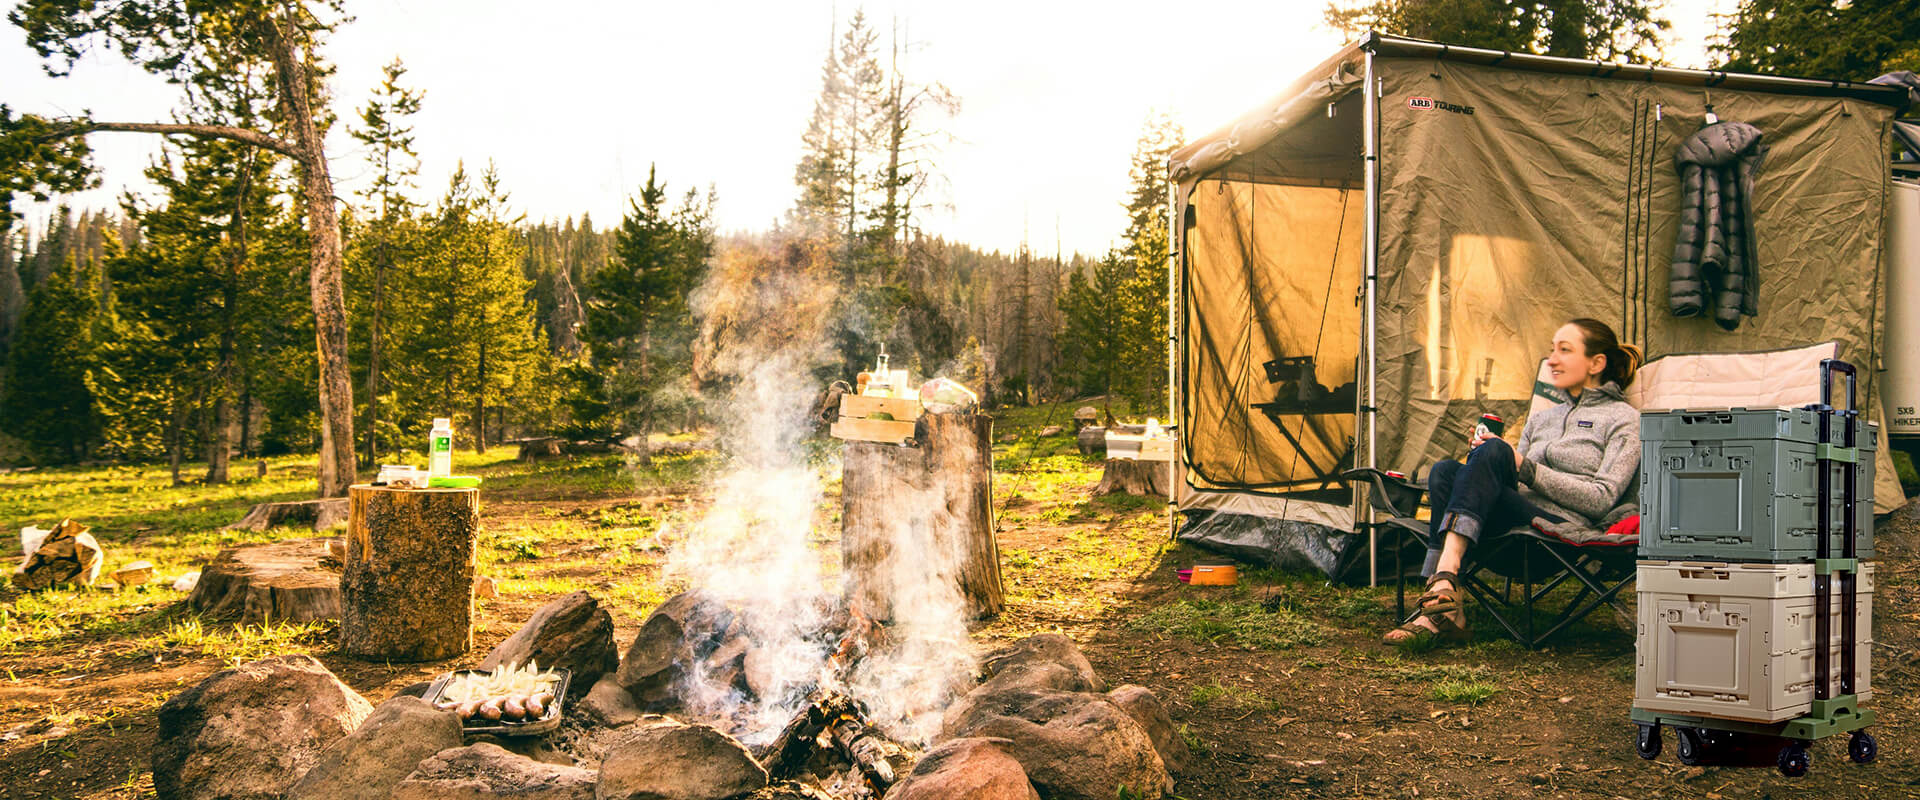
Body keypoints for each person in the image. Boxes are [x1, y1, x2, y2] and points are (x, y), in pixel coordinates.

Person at [1384, 318, 1644, 647]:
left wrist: (1524, 466)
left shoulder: (1625, 420)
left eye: (1565, 350)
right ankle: (1445, 594)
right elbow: (1512, 479)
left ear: (1597, 362)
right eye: (1552, 350)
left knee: (1493, 451)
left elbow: (1602, 498)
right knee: (1446, 471)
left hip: (1557, 535)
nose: (1552, 359)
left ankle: (1441, 592)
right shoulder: (1542, 419)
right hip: (1508, 532)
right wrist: (1484, 462)